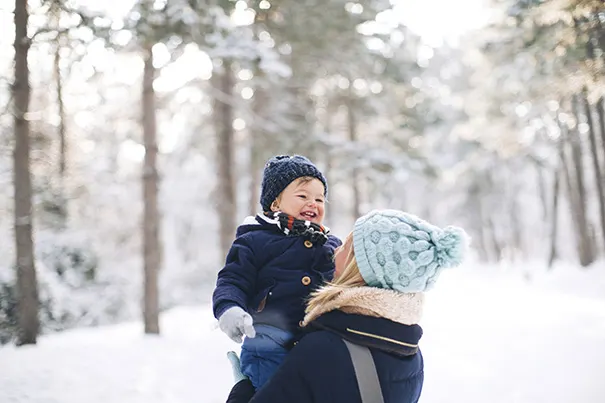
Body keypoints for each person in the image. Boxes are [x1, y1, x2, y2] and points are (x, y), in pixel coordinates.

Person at [226, 209, 469, 403]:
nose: (335, 250)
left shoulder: (323, 350)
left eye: (347, 246)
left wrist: (242, 390)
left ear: (360, 268)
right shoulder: (409, 352)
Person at [212, 155, 342, 391]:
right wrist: (229, 307)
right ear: (275, 203)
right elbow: (233, 279)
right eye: (303, 196)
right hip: (267, 340)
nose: (313, 203)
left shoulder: (331, 245)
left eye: (320, 199)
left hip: (319, 341)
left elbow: (347, 281)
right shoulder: (255, 239)